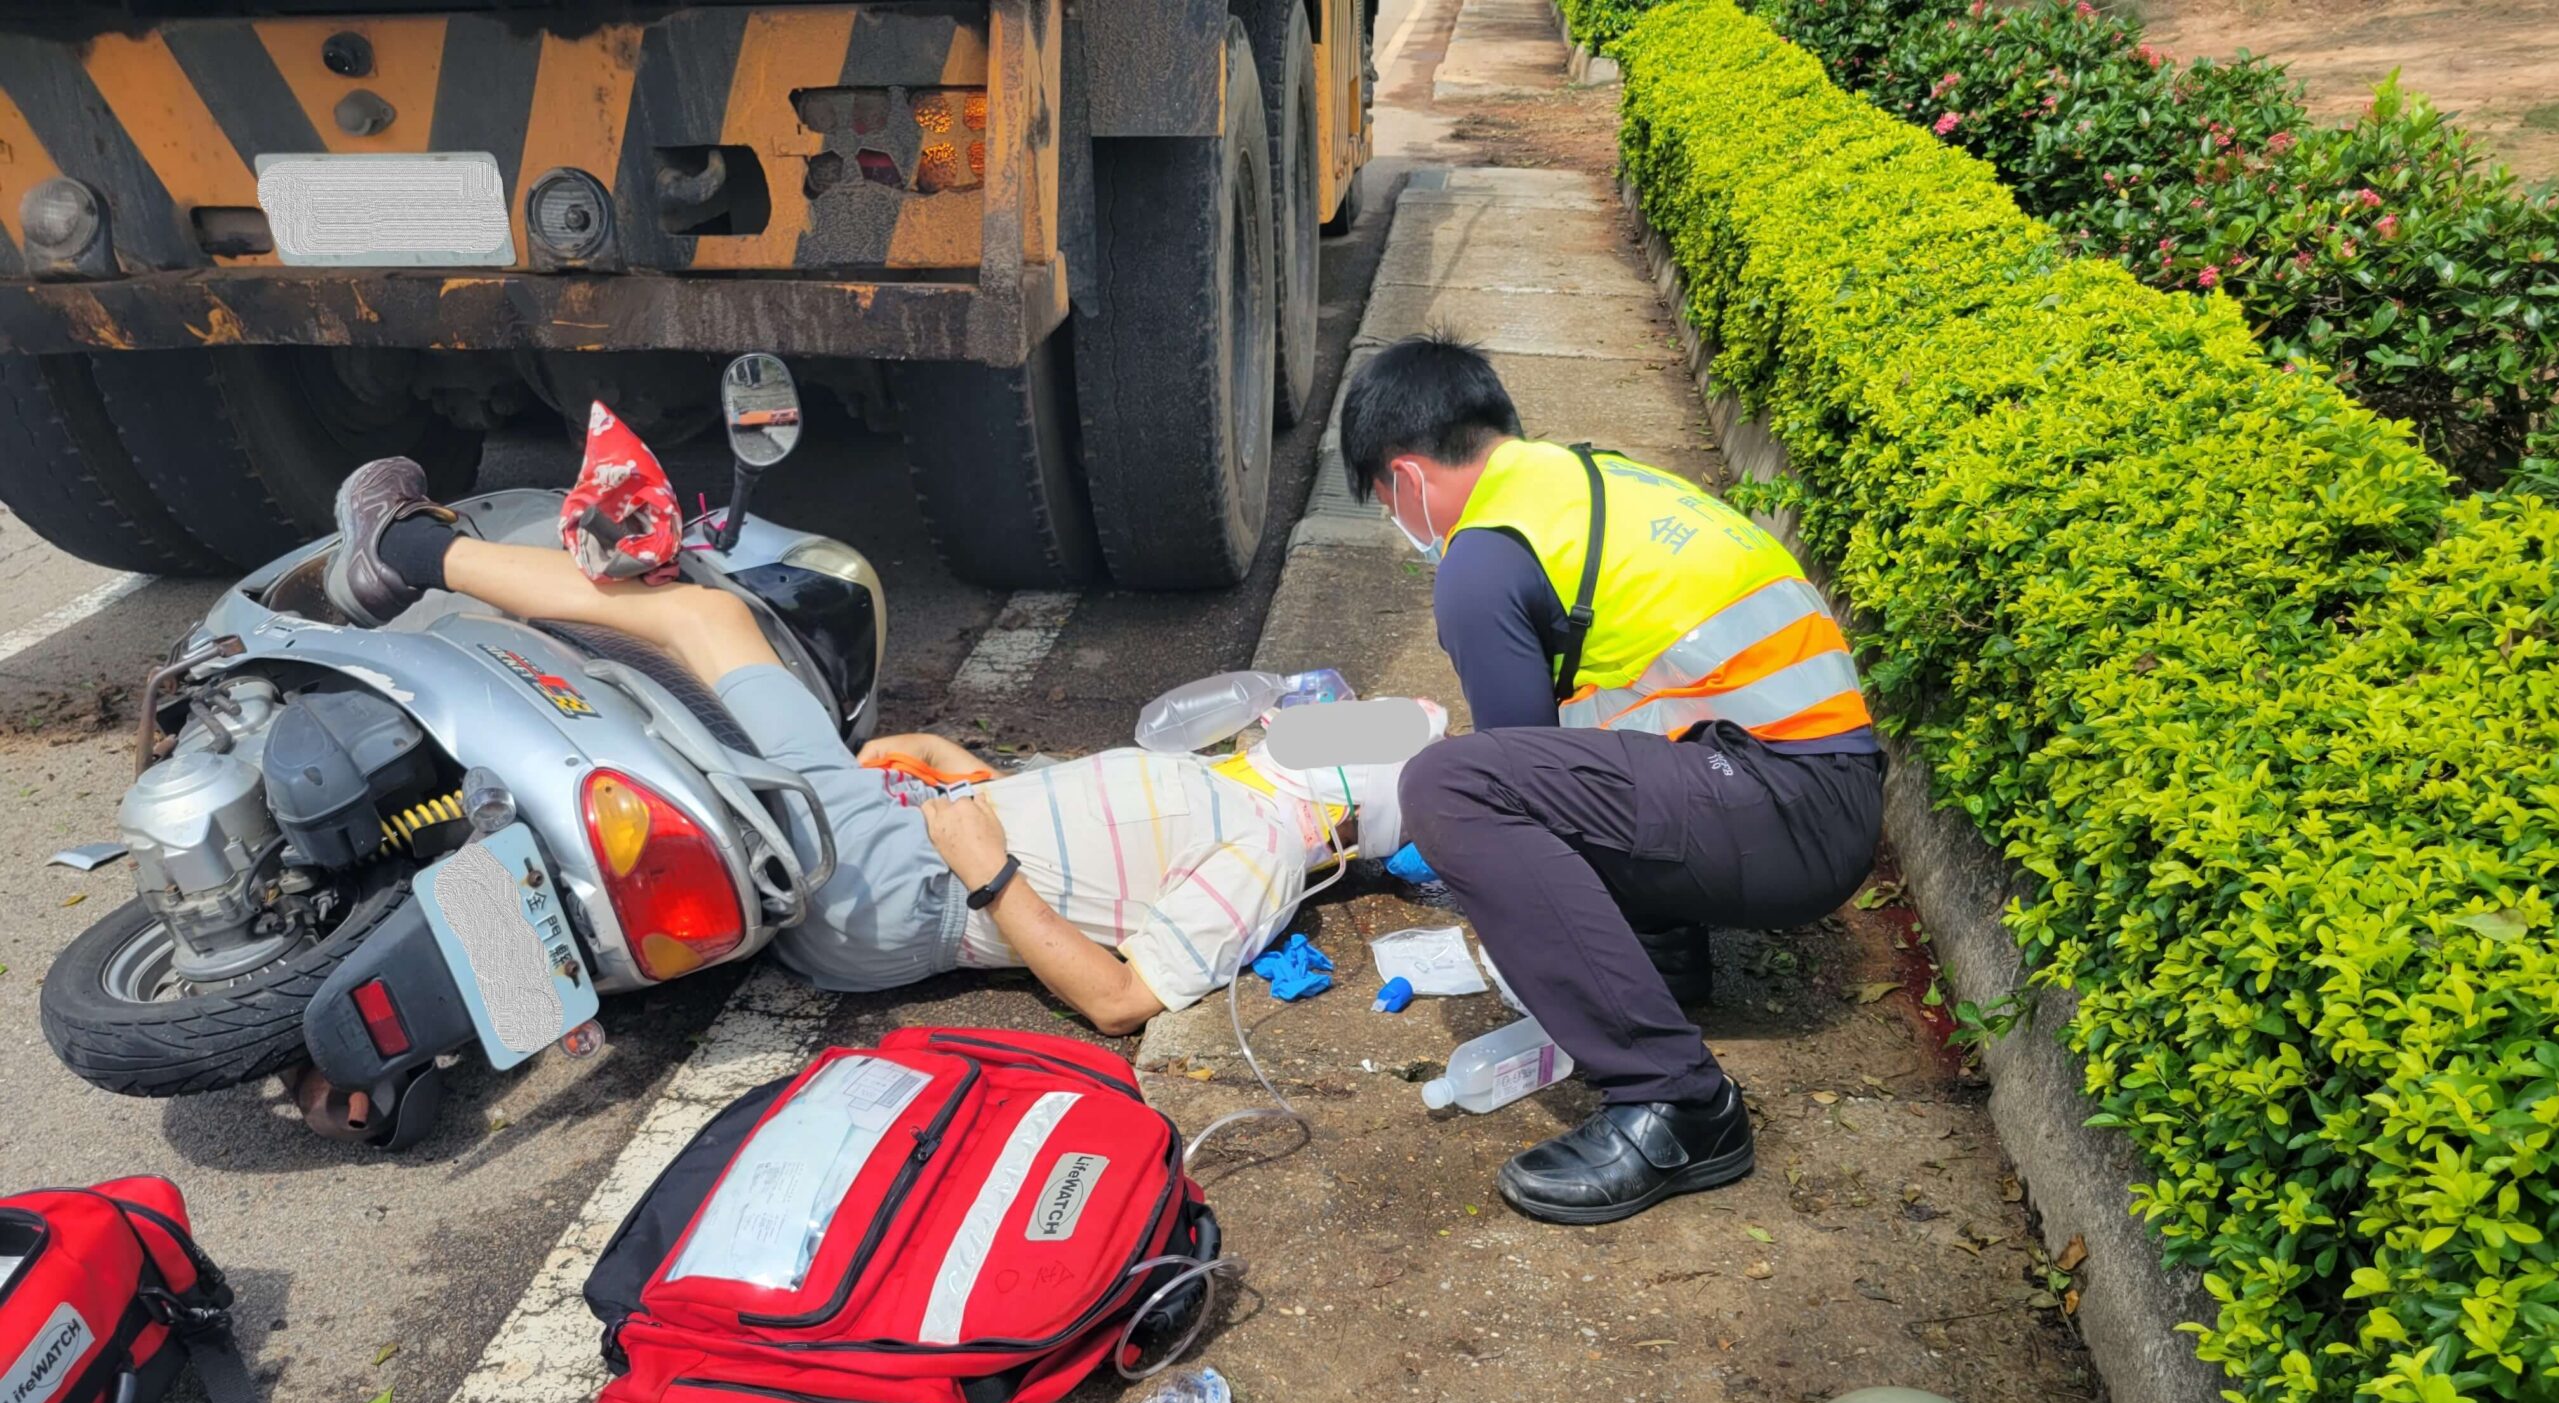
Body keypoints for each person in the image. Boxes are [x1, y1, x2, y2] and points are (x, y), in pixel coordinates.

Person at [323, 457, 1388, 1042]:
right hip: (912, 858)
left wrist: (988, 871)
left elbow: (1118, 999)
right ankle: (396, 998)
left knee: (705, 620)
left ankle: (404, 553)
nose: (1289, 717)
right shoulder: (1244, 805)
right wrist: (973, 772)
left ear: (1340, 803)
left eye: (1331, 724)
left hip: (905, 888)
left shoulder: (1266, 849)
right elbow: (1106, 853)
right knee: (670, 798)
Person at [1338, 335, 1885, 1226]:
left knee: (1450, 789)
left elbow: (1517, 770)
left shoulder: (1483, 559)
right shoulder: (1594, 481)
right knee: (1559, 752)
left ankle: (1677, 1102)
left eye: (1383, 503)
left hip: (1783, 815)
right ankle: (1662, 959)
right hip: (1820, 794)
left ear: (1404, 477)